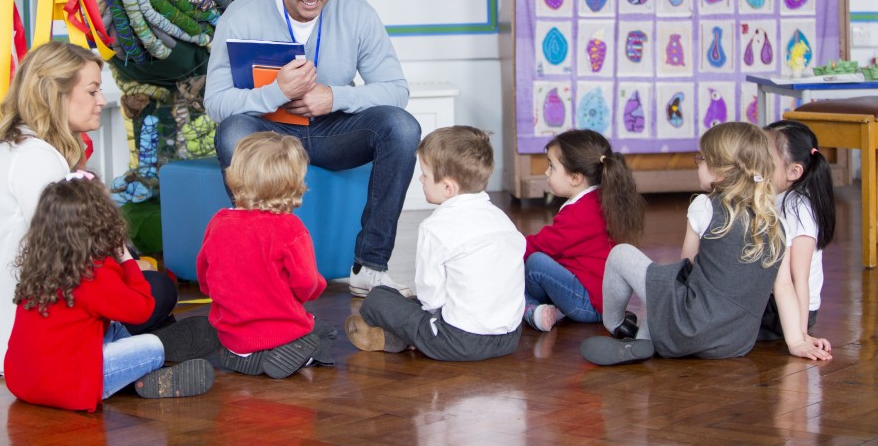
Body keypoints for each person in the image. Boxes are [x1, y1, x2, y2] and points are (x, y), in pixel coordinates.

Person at [204, 0, 421, 298]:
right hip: (272, 133)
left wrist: (335, 98)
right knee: (233, 131)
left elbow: (396, 90)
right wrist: (273, 93)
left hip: (333, 130)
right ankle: (265, 266)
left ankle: (370, 266)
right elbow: (216, 103)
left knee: (401, 127)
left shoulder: (357, 12)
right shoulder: (241, 15)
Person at [0, 42, 177, 375]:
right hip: (10, 339)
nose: (102, 101)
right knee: (158, 290)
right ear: (56, 95)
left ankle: (142, 343)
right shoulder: (35, 159)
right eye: (93, 91)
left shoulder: (23, 148)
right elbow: (78, 258)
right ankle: (129, 352)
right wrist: (130, 273)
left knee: (148, 288)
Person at [581, 122, 834, 366]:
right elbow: (784, 288)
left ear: (720, 171)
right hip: (735, 343)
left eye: (701, 159)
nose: (698, 165)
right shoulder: (777, 224)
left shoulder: (705, 207)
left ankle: (616, 324)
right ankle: (644, 340)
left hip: (691, 327)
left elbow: (686, 267)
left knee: (621, 254)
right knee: (660, 308)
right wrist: (797, 342)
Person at [5, 174, 215, 411]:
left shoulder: (41, 265)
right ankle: (144, 370)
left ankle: (135, 373)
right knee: (151, 344)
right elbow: (142, 309)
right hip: (68, 387)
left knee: (112, 327)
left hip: (22, 381)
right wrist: (125, 258)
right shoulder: (92, 272)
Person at [344, 126, 525, 361]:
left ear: (448, 188)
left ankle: (401, 338)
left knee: (378, 298)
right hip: (509, 337)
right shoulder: (503, 220)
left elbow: (432, 300)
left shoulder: (436, 227)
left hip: (460, 342)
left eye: (425, 175)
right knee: (415, 305)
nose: (420, 179)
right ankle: (401, 338)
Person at [196, 132, 338, 378]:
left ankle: (241, 354)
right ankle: (301, 352)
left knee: (244, 338)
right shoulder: (290, 228)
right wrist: (316, 287)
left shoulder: (218, 222)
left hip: (232, 331)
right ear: (292, 184)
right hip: (281, 329)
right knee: (324, 332)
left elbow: (205, 275)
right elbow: (306, 284)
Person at [521, 130, 645, 333]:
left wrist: (506, 247)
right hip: (602, 302)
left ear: (576, 178)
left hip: (589, 305)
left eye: (551, 167)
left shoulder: (579, 213)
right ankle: (537, 307)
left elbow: (538, 246)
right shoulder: (600, 198)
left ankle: (529, 308)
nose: (546, 172)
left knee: (535, 263)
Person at [758, 120, 836, 340]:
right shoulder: (776, 194)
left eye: (764, 159)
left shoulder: (799, 209)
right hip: (777, 300)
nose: (755, 163)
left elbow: (799, 279)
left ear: (794, 171)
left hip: (792, 310)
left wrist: (801, 336)